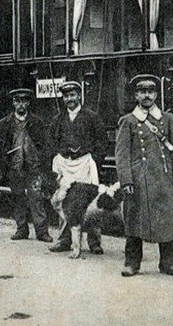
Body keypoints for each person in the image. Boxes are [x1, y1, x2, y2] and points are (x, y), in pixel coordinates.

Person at [115, 74, 173, 277]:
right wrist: (126, 180)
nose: (147, 95)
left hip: (163, 177)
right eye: (142, 92)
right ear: (136, 95)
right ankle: (132, 263)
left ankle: (167, 263)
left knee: (166, 220)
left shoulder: (168, 119)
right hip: (138, 179)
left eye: (151, 91)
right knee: (134, 221)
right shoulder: (128, 121)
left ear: (156, 94)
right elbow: (122, 155)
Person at [47, 80, 107, 255]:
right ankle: (65, 240)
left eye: (72, 95)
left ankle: (94, 241)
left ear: (79, 95)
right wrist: (57, 160)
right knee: (66, 203)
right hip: (65, 166)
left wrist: (94, 160)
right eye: (66, 96)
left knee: (92, 202)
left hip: (85, 164)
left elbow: (102, 141)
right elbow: (50, 142)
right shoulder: (58, 119)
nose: (69, 99)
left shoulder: (92, 117)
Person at [0, 87, 52, 242]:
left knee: (36, 198)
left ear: (28, 103)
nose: (21, 104)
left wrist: (43, 158)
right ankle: (21, 229)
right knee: (17, 197)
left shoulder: (37, 122)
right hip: (14, 166)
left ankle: (42, 232)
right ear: (13, 103)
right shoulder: (5, 123)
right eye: (17, 101)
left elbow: (47, 144)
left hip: (33, 166)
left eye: (24, 101)